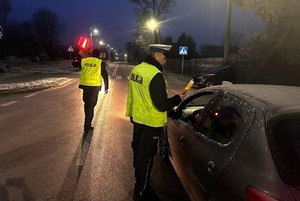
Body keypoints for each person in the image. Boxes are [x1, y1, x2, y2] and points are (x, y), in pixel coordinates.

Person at [126, 44, 185, 201]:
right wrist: (178, 99)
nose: (165, 61)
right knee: (146, 159)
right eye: (164, 57)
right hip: (151, 125)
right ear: (157, 55)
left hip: (138, 120)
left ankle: (143, 185)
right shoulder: (155, 75)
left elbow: (139, 97)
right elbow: (161, 104)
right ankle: (140, 193)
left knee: (139, 156)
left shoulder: (137, 69)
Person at [72, 48, 109, 132]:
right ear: (99, 55)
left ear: (91, 54)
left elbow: (74, 63)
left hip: (86, 87)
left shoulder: (84, 61)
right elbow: (105, 75)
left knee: (87, 105)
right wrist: (106, 87)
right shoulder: (99, 63)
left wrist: (79, 55)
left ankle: (87, 122)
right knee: (91, 106)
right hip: (94, 88)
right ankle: (87, 125)